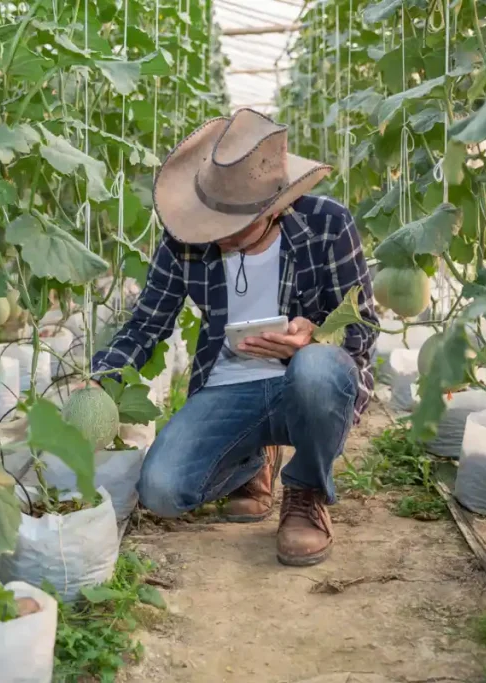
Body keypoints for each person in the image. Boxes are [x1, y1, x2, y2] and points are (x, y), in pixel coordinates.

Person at [87, 108, 379, 567]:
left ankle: (304, 493)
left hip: (308, 384)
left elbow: (362, 328)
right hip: (229, 387)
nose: (216, 232)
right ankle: (251, 458)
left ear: (276, 206)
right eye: (212, 217)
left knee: (317, 369)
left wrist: (315, 335)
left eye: (233, 222)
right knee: (162, 490)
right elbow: (146, 324)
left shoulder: (328, 225)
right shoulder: (186, 237)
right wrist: (100, 376)